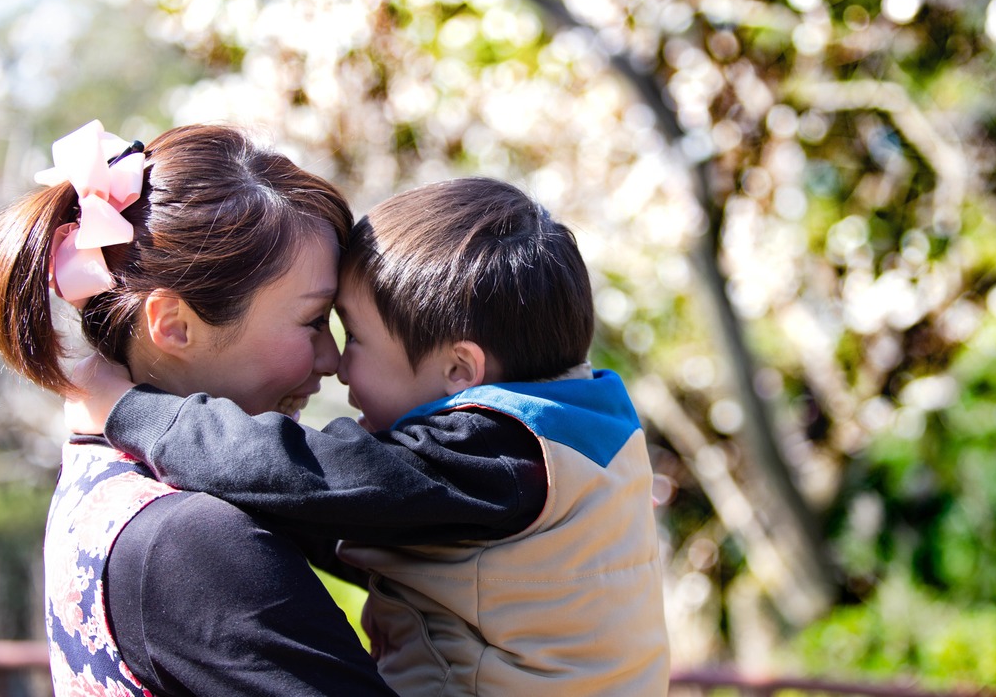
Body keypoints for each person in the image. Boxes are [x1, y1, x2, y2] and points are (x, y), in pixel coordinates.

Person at [72, 177, 671, 695]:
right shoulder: (578, 433)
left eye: (354, 335)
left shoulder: (499, 452)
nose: (336, 362)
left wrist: (132, 411)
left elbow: (308, 475)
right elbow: (342, 516)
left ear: (459, 372)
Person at [0, 120, 396, 696]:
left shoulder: (106, 479)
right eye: (312, 321)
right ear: (174, 325)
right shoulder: (192, 542)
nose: (332, 358)